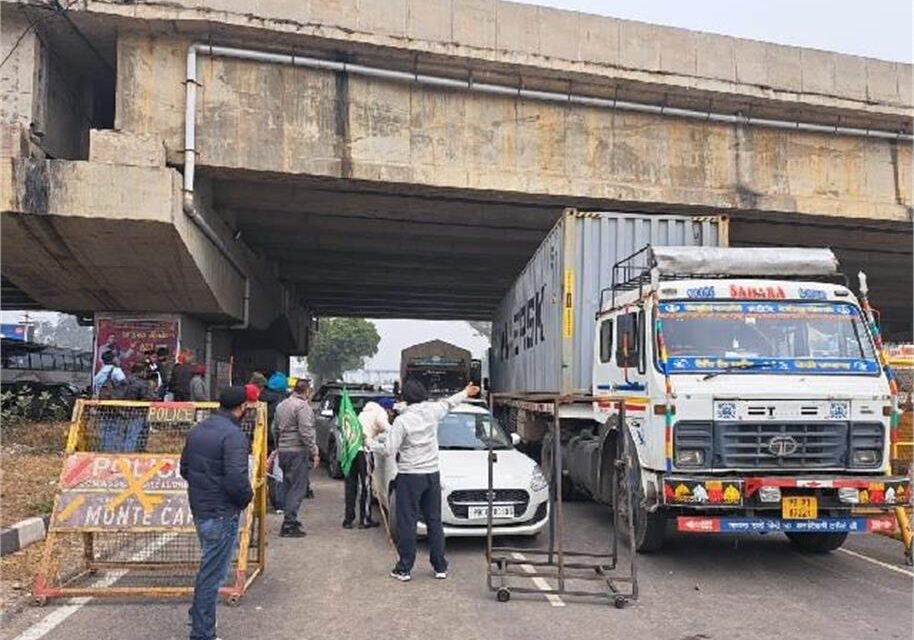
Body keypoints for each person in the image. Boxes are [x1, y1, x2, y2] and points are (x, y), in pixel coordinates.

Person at [374, 379, 480, 582]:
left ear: (404, 397)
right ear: (423, 394)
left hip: (409, 476)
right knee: (434, 521)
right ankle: (440, 566)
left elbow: (388, 449)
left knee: (407, 522)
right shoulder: (433, 411)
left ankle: (404, 568)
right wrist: (466, 391)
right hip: (432, 475)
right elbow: (450, 402)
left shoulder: (402, 421)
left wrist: (371, 444)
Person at [180, 387, 253, 640]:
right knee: (212, 575)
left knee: (209, 567)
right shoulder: (234, 436)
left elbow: (185, 468)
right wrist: (246, 499)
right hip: (222, 513)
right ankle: (202, 633)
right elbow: (236, 480)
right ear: (243, 407)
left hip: (201, 508)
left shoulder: (198, 429)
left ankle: (197, 614)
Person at [273, 378, 319, 537]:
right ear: (307, 391)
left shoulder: (281, 405)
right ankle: (289, 523)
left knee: (287, 485)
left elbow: (275, 429)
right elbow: (306, 432)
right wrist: (314, 451)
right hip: (297, 451)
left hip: (284, 451)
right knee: (297, 489)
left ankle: (289, 517)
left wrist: (278, 447)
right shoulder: (302, 407)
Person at [345, 397, 394, 529]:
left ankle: (348, 519)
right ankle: (365, 519)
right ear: (387, 409)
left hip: (352, 449)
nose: (391, 414)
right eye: (391, 411)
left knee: (351, 484)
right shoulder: (380, 413)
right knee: (366, 485)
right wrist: (395, 430)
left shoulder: (364, 412)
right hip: (364, 451)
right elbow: (387, 428)